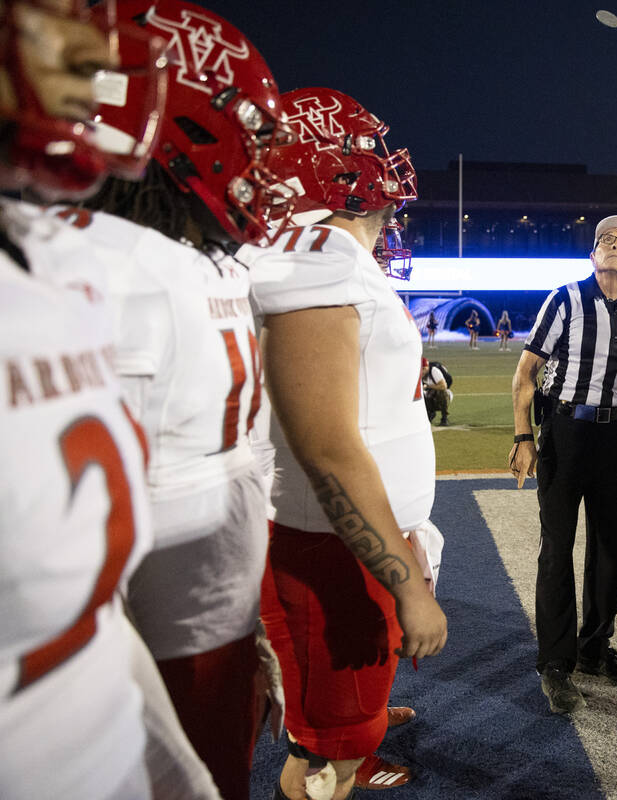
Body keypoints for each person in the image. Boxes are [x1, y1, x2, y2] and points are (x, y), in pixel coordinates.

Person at [48, 4, 299, 798]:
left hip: (198, 625)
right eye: (249, 134)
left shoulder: (199, 262)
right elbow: (78, 537)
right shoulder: (107, 267)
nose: (264, 167)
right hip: (128, 659)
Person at [0, 2, 220, 798]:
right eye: (51, 11)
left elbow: (90, 613)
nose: (97, 48)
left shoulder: (53, 260)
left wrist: (173, 772)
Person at [240, 86, 446, 800]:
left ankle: (350, 730)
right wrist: (406, 584)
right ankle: (335, 754)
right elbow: (326, 446)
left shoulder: (320, 251)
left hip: (342, 538)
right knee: (326, 759)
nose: (382, 169)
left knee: (344, 719)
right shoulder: (314, 252)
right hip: (329, 549)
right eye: (366, 150)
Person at [510, 214, 617, 714]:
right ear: (592, 254)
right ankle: (555, 662)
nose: (616, 247)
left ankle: (596, 647)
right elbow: (526, 371)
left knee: (610, 547)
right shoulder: (565, 299)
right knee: (557, 548)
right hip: (564, 431)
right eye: (607, 241)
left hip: (613, 433)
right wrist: (524, 435)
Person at [423, 357, 453, 426]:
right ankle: (430, 413)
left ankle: (444, 418)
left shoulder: (434, 370)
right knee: (422, 395)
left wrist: (428, 387)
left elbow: (444, 386)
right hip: (430, 393)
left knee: (441, 392)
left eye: (423, 369)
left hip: (444, 393)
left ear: (427, 367)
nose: (422, 371)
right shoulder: (418, 373)